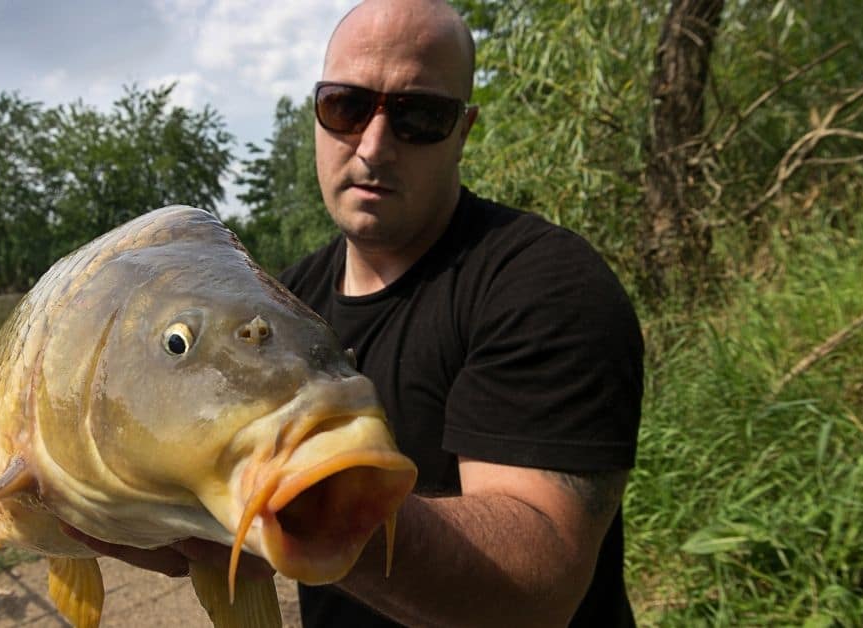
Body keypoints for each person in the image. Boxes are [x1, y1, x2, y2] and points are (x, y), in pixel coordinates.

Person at [275, 1, 645, 626]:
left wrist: (294, 504)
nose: (374, 146)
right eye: (346, 105)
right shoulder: (283, 305)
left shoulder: (544, 284)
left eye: (420, 116)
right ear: (316, 112)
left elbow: (537, 581)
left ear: (465, 130)